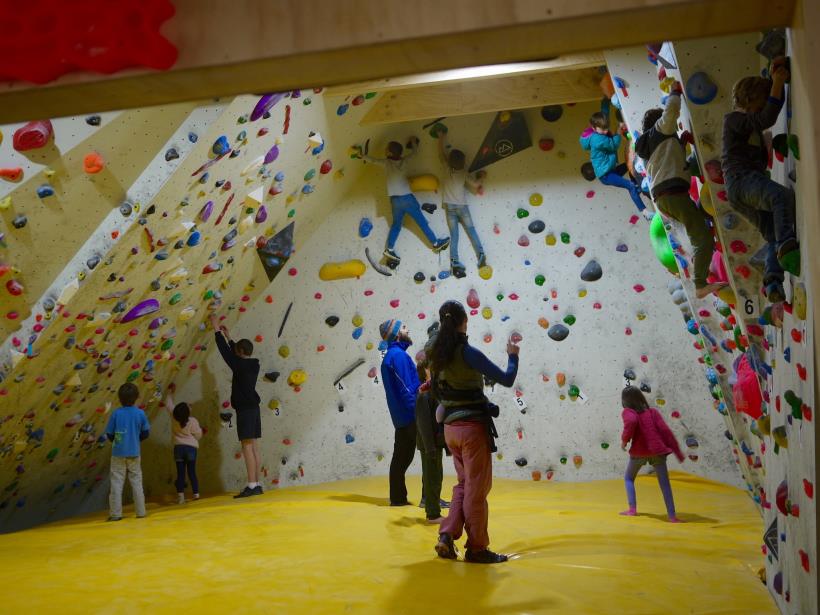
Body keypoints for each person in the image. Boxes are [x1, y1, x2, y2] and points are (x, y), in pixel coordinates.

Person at [430, 300, 519, 564]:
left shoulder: (437, 355)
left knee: (463, 485)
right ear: (463, 322)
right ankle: (477, 548)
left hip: (450, 430)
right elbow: (506, 378)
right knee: (476, 490)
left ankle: (446, 536)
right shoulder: (467, 353)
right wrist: (513, 355)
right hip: (471, 430)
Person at [635, 81, 727, 299]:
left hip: (666, 196)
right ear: (658, 124)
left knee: (697, 225)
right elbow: (671, 112)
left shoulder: (652, 148)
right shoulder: (657, 131)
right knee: (702, 238)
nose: (673, 128)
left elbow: (673, 162)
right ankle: (700, 283)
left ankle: (701, 264)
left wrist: (682, 143)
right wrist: (674, 92)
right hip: (672, 194)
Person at [721, 56, 799, 302]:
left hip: (740, 189)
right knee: (781, 196)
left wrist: (775, 80)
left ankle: (773, 281)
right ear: (749, 99)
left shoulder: (747, 123)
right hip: (741, 181)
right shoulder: (733, 119)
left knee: (772, 233)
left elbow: (766, 115)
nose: (765, 104)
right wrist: (776, 82)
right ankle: (787, 246)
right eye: (762, 100)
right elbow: (766, 118)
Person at [361, 137, 449, 267]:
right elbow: (414, 153)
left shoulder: (386, 163)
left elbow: (373, 160)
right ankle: (435, 243)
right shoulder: (405, 161)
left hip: (395, 200)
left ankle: (389, 249)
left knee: (396, 225)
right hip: (407, 199)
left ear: (389, 153)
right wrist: (414, 144)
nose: (385, 151)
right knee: (422, 222)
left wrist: (362, 156)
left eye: (386, 149)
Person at [210, 313, 263, 499]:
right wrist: (229, 337)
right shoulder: (252, 364)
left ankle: (251, 485)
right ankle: (257, 484)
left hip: (246, 410)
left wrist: (216, 329)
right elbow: (234, 353)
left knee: (247, 446)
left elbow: (225, 352)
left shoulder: (239, 365)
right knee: (254, 446)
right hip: (254, 409)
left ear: (239, 352)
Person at [620, 386, 685, 522]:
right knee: (665, 484)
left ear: (625, 401)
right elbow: (666, 431)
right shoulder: (653, 412)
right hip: (657, 451)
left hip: (639, 453)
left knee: (628, 478)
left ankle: (632, 509)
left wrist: (624, 441)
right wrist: (678, 452)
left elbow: (631, 422)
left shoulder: (628, 413)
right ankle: (672, 516)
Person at [379, 318, 420, 506]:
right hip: (411, 415)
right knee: (430, 454)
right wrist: (420, 412)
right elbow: (407, 388)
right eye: (404, 327)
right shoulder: (398, 356)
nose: (407, 329)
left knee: (402, 457)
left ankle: (397, 498)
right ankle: (430, 498)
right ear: (396, 333)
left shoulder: (391, 356)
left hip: (401, 417)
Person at [580, 112, 650, 217]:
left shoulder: (600, 133)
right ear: (594, 128)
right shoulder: (597, 139)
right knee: (630, 186)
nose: (606, 131)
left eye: (606, 128)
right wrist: (618, 131)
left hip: (610, 170)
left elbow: (604, 113)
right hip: (606, 175)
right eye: (603, 129)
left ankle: (638, 187)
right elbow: (613, 145)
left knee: (629, 165)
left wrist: (605, 101)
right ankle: (645, 212)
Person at [437, 131, 486, 277]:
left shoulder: (446, 168)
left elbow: (441, 153)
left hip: (449, 208)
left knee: (454, 235)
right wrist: (482, 177)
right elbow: (476, 184)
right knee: (471, 231)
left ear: (449, 160)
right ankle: (481, 255)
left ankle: (454, 261)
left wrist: (441, 138)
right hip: (462, 207)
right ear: (463, 163)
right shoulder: (463, 173)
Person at [415, 322, 450, 523]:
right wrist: (429, 447)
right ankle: (432, 512)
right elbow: (424, 425)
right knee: (431, 478)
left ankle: (434, 507)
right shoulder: (423, 396)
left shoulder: (431, 394)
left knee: (436, 477)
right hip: (429, 446)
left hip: (434, 445)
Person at [105, 382, 150, 521]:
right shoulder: (140, 413)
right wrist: (135, 441)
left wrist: (118, 442)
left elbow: (110, 434)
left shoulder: (116, 414)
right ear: (136, 397)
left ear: (119, 398)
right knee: (136, 481)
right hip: (134, 452)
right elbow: (145, 433)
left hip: (118, 453)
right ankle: (141, 512)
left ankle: (115, 514)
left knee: (117, 483)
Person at [165, 387, 203, 504]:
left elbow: (168, 404)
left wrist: (170, 393)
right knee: (192, 472)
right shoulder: (193, 421)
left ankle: (181, 497)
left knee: (180, 473)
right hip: (191, 449)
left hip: (178, 448)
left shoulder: (173, 416)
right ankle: (196, 494)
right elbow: (198, 435)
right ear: (188, 413)